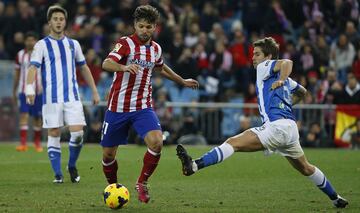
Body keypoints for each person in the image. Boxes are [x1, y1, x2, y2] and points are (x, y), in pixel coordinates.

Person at [176, 37, 349, 208]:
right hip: (290, 128)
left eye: (257, 54)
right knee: (305, 168)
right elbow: (303, 92)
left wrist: (281, 79)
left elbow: (287, 62)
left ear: (268, 57)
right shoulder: (288, 82)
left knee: (232, 143)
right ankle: (336, 198)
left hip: (277, 127)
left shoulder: (264, 68)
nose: (253, 58)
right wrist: (287, 99)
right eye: (253, 54)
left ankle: (194, 165)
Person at [100, 5, 198, 203]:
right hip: (117, 107)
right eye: (141, 26)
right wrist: (124, 67)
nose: (144, 30)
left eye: (149, 27)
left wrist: (181, 81)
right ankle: (113, 188)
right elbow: (106, 63)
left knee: (157, 142)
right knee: (109, 155)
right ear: (135, 25)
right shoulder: (125, 43)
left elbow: (162, 68)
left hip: (142, 106)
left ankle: (142, 183)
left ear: (155, 27)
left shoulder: (156, 49)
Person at [25, 5, 100, 183]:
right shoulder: (41, 45)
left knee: (78, 133)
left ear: (65, 22)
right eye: (55, 19)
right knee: (54, 132)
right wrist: (29, 88)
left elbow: (84, 67)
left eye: (61, 19)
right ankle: (58, 174)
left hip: (72, 96)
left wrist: (94, 91)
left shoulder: (73, 44)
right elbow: (33, 67)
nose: (58, 22)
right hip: (51, 97)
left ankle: (71, 165)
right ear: (49, 22)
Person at [13, 32, 43, 152]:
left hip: (38, 90)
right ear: (25, 41)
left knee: (37, 117)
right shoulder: (20, 55)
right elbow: (17, 74)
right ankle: (23, 143)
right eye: (28, 40)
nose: (30, 42)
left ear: (36, 41)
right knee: (24, 115)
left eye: (32, 40)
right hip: (23, 90)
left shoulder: (41, 54)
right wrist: (14, 90)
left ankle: (37, 143)